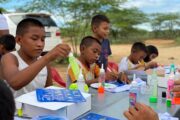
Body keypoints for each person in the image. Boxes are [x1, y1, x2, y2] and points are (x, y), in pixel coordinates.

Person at [1, 18, 70, 98]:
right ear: (19, 40)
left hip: (37, 110)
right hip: (13, 110)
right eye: (34, 39)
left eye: (43, 39)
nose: (40, 44)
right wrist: (47, 57)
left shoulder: (45, 64)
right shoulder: (9, 58)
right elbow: (15, 83)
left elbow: (48, 92)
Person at [91, 14, 124, 81]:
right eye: (105, 28)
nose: (108, 31)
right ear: (95, 29)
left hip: (105, 77)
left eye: (108, 29)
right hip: (92, 79)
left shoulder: (106, 42)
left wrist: (112, 71)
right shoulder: (89, 43)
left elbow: (105, 59)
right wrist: (102, 76)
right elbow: (87, 66)